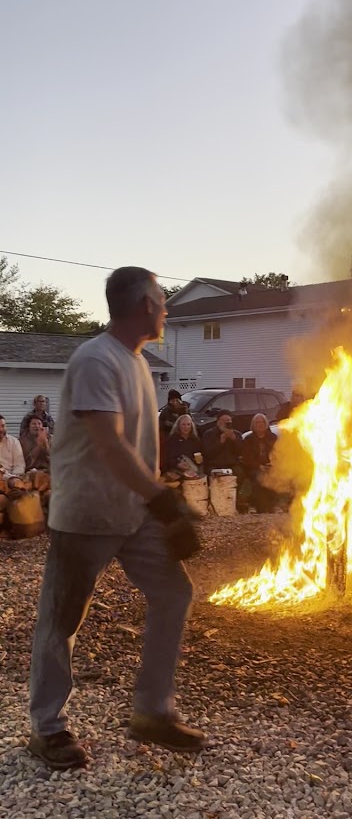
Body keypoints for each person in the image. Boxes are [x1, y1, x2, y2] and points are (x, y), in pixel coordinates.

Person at [28, 266, 205, 771]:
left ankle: (152, 711)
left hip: (132, 513)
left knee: (174, 592)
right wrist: (163, 500)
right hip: (85, 514)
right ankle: (47, 729)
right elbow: (109, 444)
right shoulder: (94, 360)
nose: (168, 309)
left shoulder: (138, 365)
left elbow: (139, 449)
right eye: (164, 300)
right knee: (62, 620)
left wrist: (160, 503)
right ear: (145, 305)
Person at [242, 413, 278, 513]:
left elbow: (278, 453)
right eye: (257, 422)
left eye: (262, 422)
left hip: (270, 465)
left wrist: (272, 464)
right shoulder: (249, 439)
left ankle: (273, 505)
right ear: (253, 424)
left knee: (275, 476)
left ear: (266, 424)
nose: (260, 424)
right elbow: (247, 457)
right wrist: (259, 466)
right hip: (254, 467)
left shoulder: (272, 437)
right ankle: (257, 506)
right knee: (259, 477)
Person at [202, 410, 244, 475]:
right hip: (214, 465)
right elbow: (208, 454)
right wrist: (220, 442)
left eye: (228, 421)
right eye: (223, 420)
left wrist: (234, 439)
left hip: (232, 465)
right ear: (218, 421)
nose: (225, 423)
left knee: (239, 473)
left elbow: (241, 451)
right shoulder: (209, 434)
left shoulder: (237, 434)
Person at [0, 415, 26, 483]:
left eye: (3, 426)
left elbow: (20, 465)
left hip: (11, 480)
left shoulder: (14, 442)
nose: (1, 429)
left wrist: (12, 478)